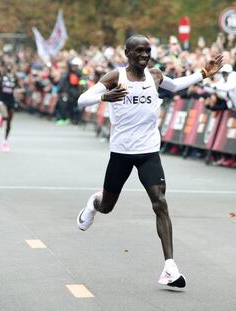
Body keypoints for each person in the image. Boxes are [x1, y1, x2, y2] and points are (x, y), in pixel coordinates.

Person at [76, 34, 223, 288]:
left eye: (147, 51)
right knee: (108, 206)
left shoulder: (154, 75)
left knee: (160, 202)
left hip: (149, 151)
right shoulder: (115, 77)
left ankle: (169, 268)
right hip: (121, 153)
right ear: (127, 54)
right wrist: (104, 98)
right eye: (139, 52)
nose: (144, 56)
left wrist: (203, 73)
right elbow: (82, 100)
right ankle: (94, 202)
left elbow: (175, 85)